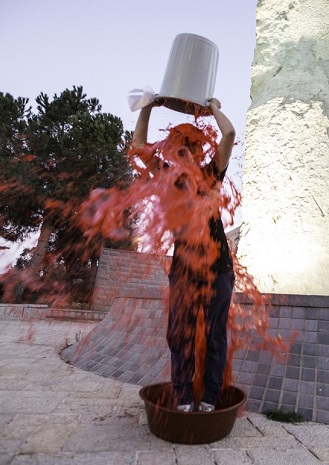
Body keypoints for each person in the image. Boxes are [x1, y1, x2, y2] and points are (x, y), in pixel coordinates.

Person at [131, 97, 236, 413]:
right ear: (170, 153)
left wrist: (213, 107)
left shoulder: (211, 174)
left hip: (218, 269)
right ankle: (184, 398)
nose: (183, 154)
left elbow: (229, 135)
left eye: (189, 149)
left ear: (199, 152)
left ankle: (209, 399)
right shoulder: (164, 177)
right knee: (180, 335)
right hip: (184, 271)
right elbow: (137, 146)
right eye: (177, 149)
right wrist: (149, 106)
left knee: (214, 335)